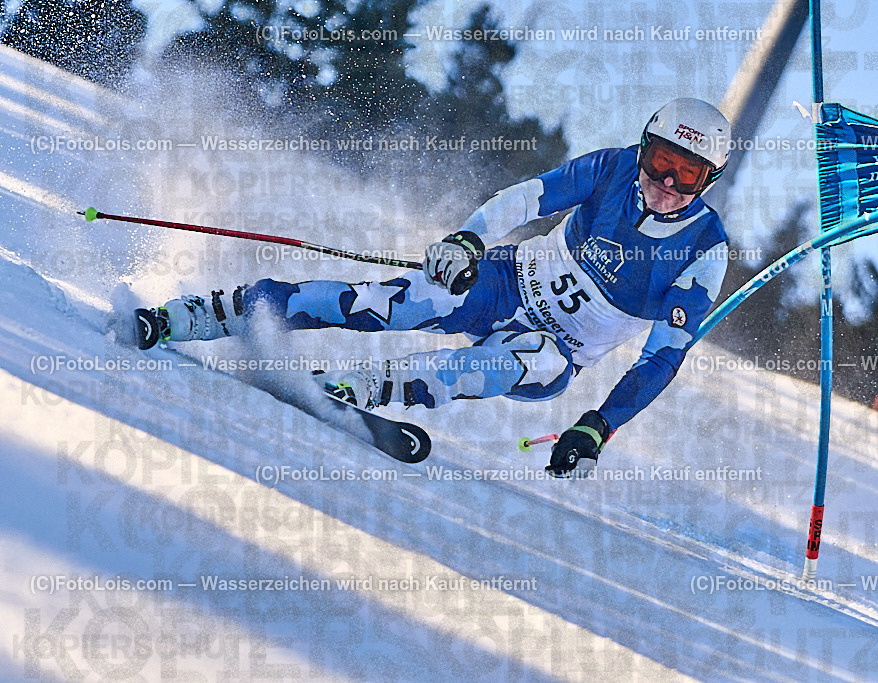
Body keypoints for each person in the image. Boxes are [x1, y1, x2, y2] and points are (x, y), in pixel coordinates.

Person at [138, 98, 733, 477]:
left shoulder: (703, 250)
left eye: (688, 174)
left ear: (708, 181)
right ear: (643, 148)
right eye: (661, 160)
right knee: (387, 303)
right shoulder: (612, 168)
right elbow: (528, 198)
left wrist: (597, 425)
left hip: (559, 349)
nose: (667, 181)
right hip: (507, 281)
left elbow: (662, 358)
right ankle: (215, 311)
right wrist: (468, 240)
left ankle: (356, 388)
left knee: (507, 364)